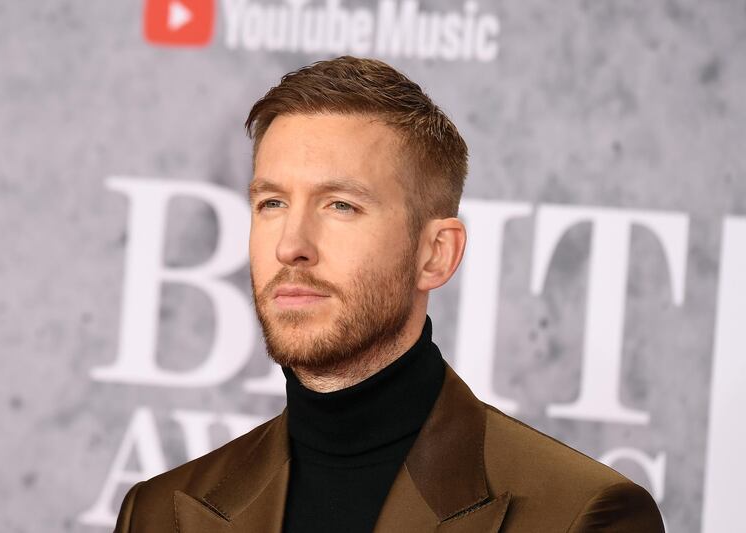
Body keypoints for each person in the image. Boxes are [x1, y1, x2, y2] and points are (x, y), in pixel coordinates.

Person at [113, 57, 664, 533]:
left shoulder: (579, 516)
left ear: (436, 254)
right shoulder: (159, 514)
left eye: (341, 205)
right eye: (272, 203)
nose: (291, 247)